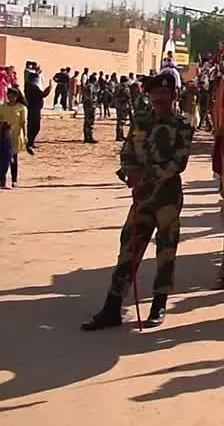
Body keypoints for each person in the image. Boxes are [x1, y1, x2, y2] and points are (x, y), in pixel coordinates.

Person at [81, 71, 194, 331]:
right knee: (128, 250)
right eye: (155, 95)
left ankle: (159, 304)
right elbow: (127, 152)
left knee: (166, 251)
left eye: (164, 95)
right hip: (141, 198)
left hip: (167, 197)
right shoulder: (141, 121)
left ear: (173, 95)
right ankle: (112, 307)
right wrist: (128, 173)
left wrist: (147, 174)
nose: (159, 100)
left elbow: (179, 162)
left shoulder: (183, 124)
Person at [0, 87, 27, 189]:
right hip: (3, 136)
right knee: (3, 159)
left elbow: (23, 123)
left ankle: (14, 180)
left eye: (13, 96)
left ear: (17, 97)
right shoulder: (2, 107)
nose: (11, 98)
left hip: (15, 136)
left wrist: (25, 135)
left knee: (13, 159)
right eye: (9, 96)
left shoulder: (21, 108)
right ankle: (2, 180)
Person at [22, 62, 51, 152]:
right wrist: (50, 87)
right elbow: (43, 94)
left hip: (33, 109)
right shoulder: (33, 88)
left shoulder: (29, 87)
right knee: (35, 127)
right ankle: (30, 142)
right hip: (35, 110)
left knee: (31, 126)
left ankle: (30, 142)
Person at [82, 73, 98, 144]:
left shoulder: (87, 86)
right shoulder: (90, 87)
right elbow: (90, 97)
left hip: (87, 105)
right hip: (90, 105)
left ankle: (86, 136)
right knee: (90, 121)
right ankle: (89, 137)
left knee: (87, 121)